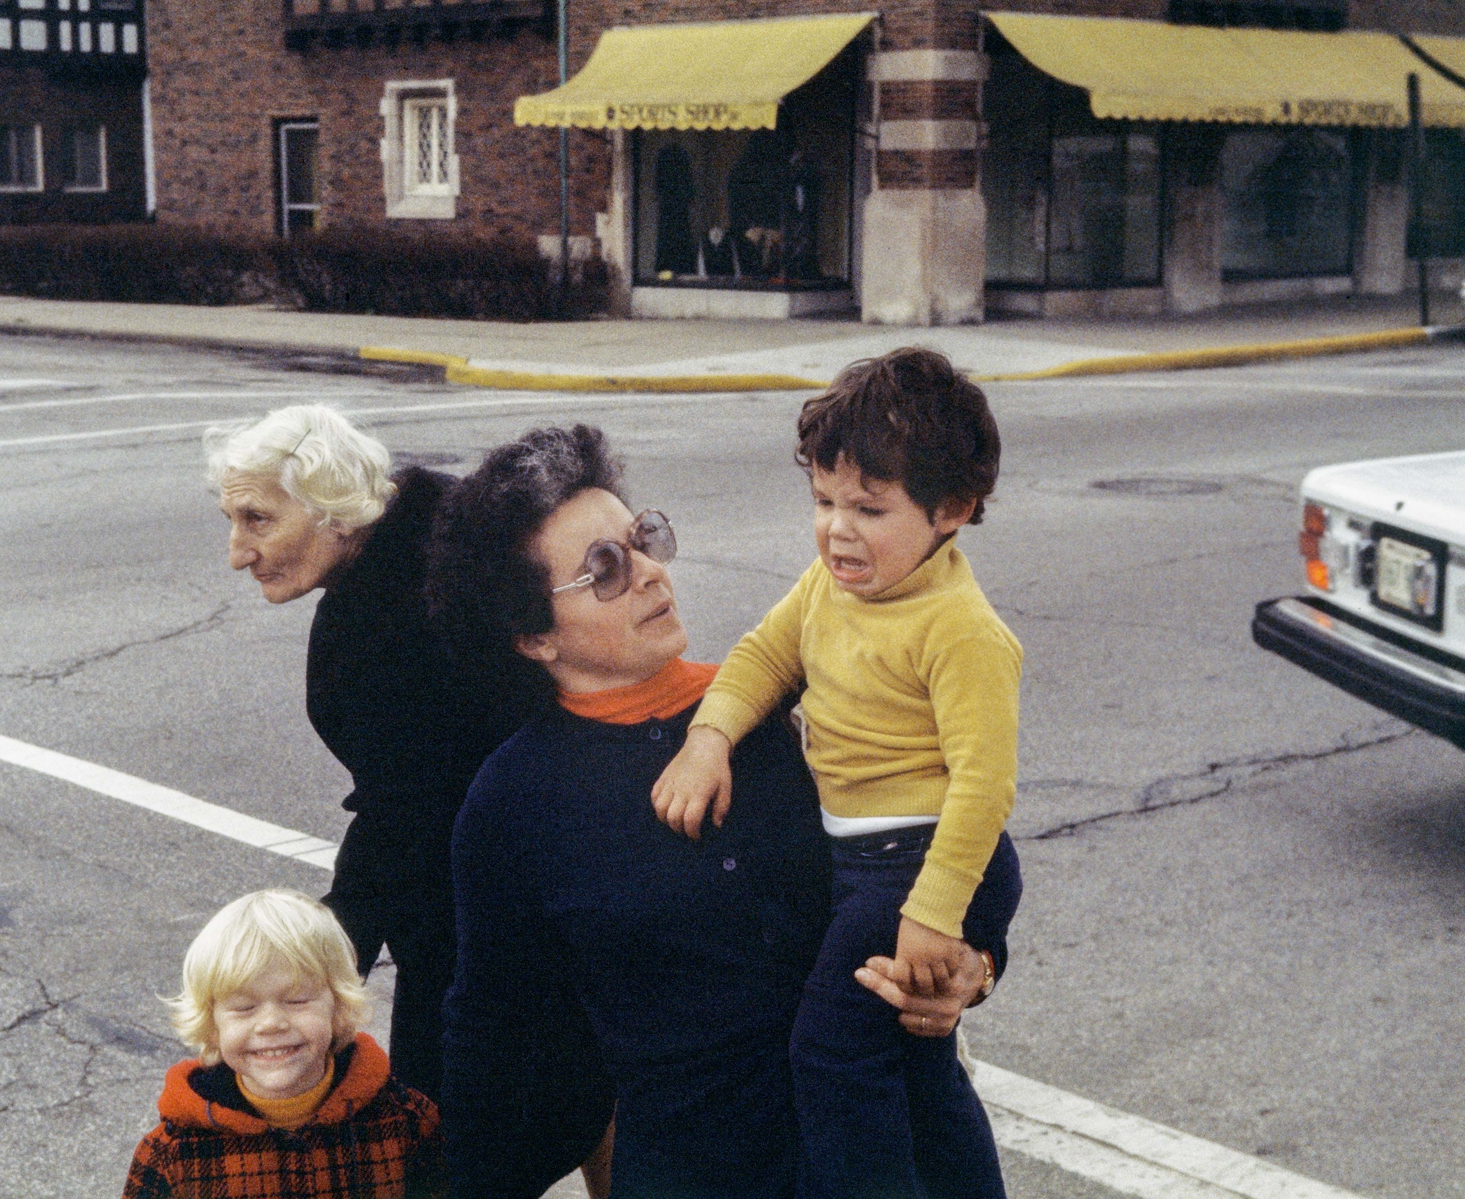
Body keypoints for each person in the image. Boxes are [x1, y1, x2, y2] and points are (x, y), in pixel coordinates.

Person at [426, 424, 1021, 1199]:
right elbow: (494, 1028)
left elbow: (941, 841)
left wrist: (975, 967)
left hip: (897, 1139)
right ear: (534, 634)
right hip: (699, 1168)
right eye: (604, 569)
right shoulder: (514, 800)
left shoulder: (779, 706)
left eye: (644, 539)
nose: (650, 572)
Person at [651, 347, 1020, 1198]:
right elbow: (762, 656)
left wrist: (933, 912)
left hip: (921, 863)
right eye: (823, 500)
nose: (837, 529)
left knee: (830, 1051)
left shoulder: (960, 628)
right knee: (918, 1068)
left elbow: (984, 786)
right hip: (868, 864)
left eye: (869, 507)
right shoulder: (828, 586)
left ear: (952, 510)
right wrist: (709, 738)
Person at [206, 405, 512, 1105]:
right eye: (233, 521)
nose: (238, 552)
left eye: (258, 520)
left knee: (447, 1125)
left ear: (336, 512)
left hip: (498, 920)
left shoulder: (396, 623)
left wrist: (313, 970)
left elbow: (403, 817)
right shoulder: (441, 525)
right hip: (504, 890)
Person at [123, 889, 445, 1199]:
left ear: (338, 1006)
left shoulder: (406, 1123)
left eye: (297, 1000)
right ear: (211, 1026)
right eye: (244, 1007)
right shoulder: (173, 1155)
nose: (271, 1023)